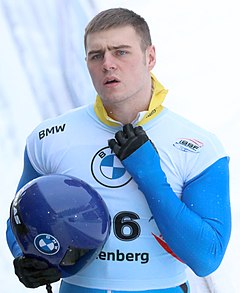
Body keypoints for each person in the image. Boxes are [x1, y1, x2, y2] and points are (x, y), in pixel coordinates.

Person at [6, 7, 231, 293]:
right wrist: (26, 259)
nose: (107, 64)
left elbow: (207, 258)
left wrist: (151, 177)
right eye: (96, 55)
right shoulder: (49, 137)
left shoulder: (198, 146)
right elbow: (19, 220)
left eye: (121, 52)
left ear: (150, 57)